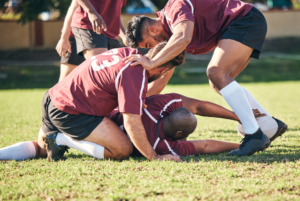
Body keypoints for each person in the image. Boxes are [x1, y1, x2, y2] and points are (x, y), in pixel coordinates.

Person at [123, 0, 287, 156]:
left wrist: (151, 62)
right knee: (218, 82)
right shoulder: (173, 36)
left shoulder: (175, 8)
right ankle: (268, 121)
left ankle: (254, 135)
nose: (152, 49)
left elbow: (184, 37)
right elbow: (161, 79)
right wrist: (137, 100)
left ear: (152, 30)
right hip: (241, 24)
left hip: (243, 19)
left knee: (216, 73)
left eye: (148, 45)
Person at [0, 92, 265, 161]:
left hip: (87, 115)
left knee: (39, 148)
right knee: (120, 151)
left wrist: (238, 116)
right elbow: (205, 145)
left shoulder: (158, 106)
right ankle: (64, 142)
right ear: (180, 135)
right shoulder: (165, 146)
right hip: (96, 130)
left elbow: (198, 106)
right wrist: (242, 145)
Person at [46, 42, 185, 162]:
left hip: (53, 97)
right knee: (122, 149)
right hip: (69, 111)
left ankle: (55, 138)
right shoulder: (136, 75)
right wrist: (154, 156)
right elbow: (131, 123)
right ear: (164, 70)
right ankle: (61, 139)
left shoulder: (127, 52)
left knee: (40, 147)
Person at [56, 0, 127, 81]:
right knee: (65, 80)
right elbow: (74, 6)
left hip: (109, 34)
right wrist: (64, 37)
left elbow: (115, 12)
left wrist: (124, 35)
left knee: (117, 74)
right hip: (85, 27)